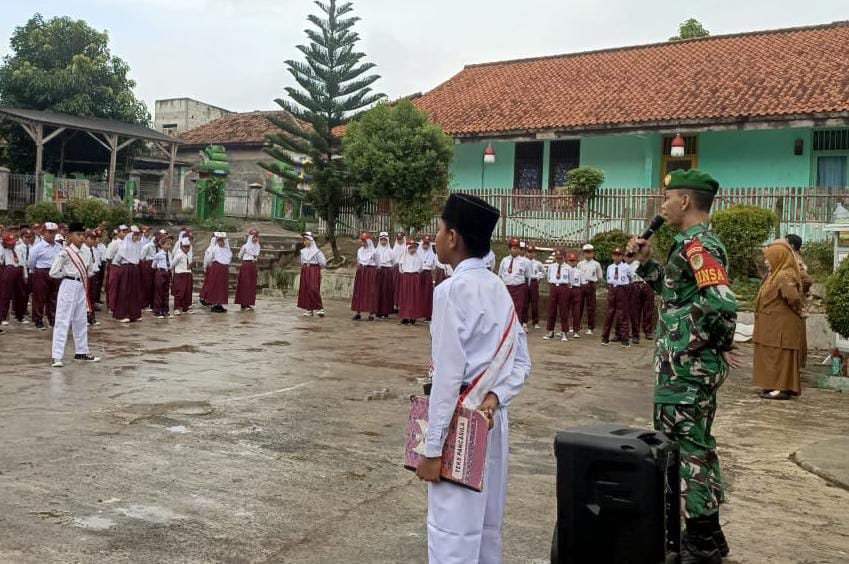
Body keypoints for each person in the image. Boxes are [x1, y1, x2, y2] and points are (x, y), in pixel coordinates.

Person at [629, 169, 739, 564]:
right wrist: (647, 264)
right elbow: (678, 296)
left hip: (686, 370)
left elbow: (722, 305)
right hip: (683, 368)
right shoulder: (687, 244)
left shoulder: (699, 244)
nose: (663, 204)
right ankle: (706, 534)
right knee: (686, 448)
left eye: (667, 197)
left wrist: (700, 345)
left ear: (686, 201)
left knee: (691, 450)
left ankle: (702, 542)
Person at [415, 193, 531, 564]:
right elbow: (522, 361)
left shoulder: (449, 291)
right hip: (490, 422)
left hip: (459, 426)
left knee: (451, 533)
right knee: (485, 528)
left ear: (453, 238)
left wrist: (432, 450)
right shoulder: (498, 287)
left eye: (439, 230)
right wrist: (495, 398)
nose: (435, 238)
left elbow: (448, 377)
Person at [752, 242, 805, 400]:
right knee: (772, 355)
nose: (766, 261)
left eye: (769, 258)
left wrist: (800, 309)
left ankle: (781, 388)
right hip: (772, 325)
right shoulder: (775, 274)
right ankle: (772, 385)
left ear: (779, 257)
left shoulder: (784, 275)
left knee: (780, 356)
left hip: (781, 325)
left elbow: (793, 297)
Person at [49, 223, 101, 367]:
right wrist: (66, 274)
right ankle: (57, 356)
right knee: (63, 320)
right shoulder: (65, 252)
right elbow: (53, 272)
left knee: (81, 320)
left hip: (81, 286)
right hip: (68, 285)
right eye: (78, 235)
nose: (81, 238)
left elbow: (90, 271)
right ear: (70, 236)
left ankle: (82, 352)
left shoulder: (86, 251)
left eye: (83, 235)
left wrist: (82, 277)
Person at [29, 222, 62, 330]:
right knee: (39, 297)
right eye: (49, 232)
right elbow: (31, 262)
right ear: (43, 233)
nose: (52, 235)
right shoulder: (38, 247)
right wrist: (37, 271)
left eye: (54, 232)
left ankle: (52, 319)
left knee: (54, 297)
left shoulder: (59, 246)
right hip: (41, 272)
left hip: (55, 272)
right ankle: (38, 319)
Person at [112, 225, 144, 323]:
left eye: (138, 235)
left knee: (135, 291)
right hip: (126, 269)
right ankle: (123, 314)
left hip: (135, 269)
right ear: (130, 235)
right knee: (125, 291)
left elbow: (139, 257)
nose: (137, 237)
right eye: (135, 235)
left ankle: (135, 314)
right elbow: (116, 260)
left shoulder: (138, 244)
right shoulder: (124, 245)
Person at [602, 248, 632, 348]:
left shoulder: (626, 267)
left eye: (619, 255)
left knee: (622, 314)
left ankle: (625, 339)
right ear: (612, 256)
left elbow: (630, 279)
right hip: (612, 289)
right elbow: (608, 279)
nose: (617, 256)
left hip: (622, 289)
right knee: (609, 313)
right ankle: (605, 338)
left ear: (622, 256)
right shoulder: (610, 267)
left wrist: (625, 289)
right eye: (615, 254)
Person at [498, 238, 531, 330]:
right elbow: (500, 275)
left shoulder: (524, 262)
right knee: (505, 307)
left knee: (517, 308)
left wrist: (524, 288)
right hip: (506, 287)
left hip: (518, 287)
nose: (515, 250)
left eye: (517, 248)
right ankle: (505, 327)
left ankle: (516, 328)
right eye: (513, 248)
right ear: (510, 248)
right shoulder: (504, 260)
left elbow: (527, 276)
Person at [0, 231, 28, 326]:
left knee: (21, 295)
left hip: (19, 270)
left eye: (13, 243)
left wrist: (25, 275)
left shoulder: (18, 249)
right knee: (5, 295)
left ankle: (20, 316)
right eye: (10, 243)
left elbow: (23, 263)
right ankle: (3, 317)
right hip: (8, 270)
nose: (12, 245)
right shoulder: (2, 249)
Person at [543, 249, 571, 342]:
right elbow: (548, 278)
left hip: (563, 287)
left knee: (564, 311)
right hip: (554, 287)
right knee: (551, 310)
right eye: (557, 258)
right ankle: (550, 331)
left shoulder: (568, 268)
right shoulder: (551, 266)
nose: (559, 260)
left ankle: (564, 332)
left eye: (560, 258)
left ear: (564, 257)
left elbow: (570, 281)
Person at [297, 232, 326, 317]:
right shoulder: (303, 251)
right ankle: (309, 308)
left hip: (314, 269)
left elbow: (323, 263)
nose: (305, 242)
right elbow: (302, 261)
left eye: (307, 240)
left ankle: (320, 308)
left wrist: (315, 268)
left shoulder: (317, 252)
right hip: (305, 269)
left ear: (311, 241)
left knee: (313, 288)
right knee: (306, 288)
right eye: (304, 240)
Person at [202, 232, 232, 313]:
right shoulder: (215, 249)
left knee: (222, 287)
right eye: (219, 241)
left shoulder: (227, 250)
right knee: (215, 286)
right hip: (216, 269)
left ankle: (220, 304)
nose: (221, 242)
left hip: (224, 270)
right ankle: (214, 304)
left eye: (222, 241)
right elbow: (209, 259)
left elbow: (229, 259)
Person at [577, 244, 603, 335]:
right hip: (581, 285)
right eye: (586, 252)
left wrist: (594, 285)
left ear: (593, 253)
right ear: (584, 254)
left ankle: (590, 328)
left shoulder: (596, 264)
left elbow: (599, 277)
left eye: (590, 252)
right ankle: (576, 326)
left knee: (591, 307)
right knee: (578, 306)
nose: (588, 254)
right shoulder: (580, 264)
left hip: (591, 285)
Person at [352, 232, 378, 321]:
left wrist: (372, 271)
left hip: (370, 272)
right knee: (359, 291)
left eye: (365, 241)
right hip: (361, 271)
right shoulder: (359, 250)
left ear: (369, 241)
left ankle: (371, 313)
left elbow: (378, 263)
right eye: (362, 241)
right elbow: (358, 261)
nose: (363, 243)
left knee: (370, 292)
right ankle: (358, 312)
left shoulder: (374, 252)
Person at [628, 258, 655, 344]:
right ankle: (635, 334)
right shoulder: (630, 263)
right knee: (635, 311)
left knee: (648, 310)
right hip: (635, 285)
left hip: (647, 285)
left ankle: (648, 331)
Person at [398, 239, 423, 326]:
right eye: (411, 248)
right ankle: (405, 317)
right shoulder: (404, 258)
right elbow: (401, 269)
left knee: (414, 297)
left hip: (415, 277)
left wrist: (415, 274)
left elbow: (421, 268)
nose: (413, 250)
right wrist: (407, 274)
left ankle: (413, 317)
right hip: (406, 277)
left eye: (414, 248)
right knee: (405, 297)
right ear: (407, 248)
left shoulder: (418, 257)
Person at [235, 229, 261, 311]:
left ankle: (249, 303)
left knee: (251, 285)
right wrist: (245, 261)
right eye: (254, 237)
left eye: (257, 237)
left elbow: (256, 256)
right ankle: (243, 303)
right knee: (245, 285)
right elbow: (239, 255)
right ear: (250, 237)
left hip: (253, 266)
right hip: (246, 266)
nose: (255, 239)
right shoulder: (245, 246)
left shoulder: (258, 246)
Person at [104, 225, 128, 312]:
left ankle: (120, 305)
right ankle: (112, 306)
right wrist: (112, 266)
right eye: (123, 232)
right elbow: (108, 256)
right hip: (115, 266)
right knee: (113, 287)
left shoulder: (127, 243)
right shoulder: (114, 243)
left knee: (122, 288)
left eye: (126, 232)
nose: (125, 234)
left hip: (124, 267)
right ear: (118, 233)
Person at [81, 230, 102, 326]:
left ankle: (91, 317)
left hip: (93, 275)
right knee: (84, 298)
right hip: (85, 276)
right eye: (91, 238)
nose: (94, 241)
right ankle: (84, 318)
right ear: (85, 239)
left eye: (95, 239)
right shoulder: (82, 250)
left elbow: (96, 264)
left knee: (92, 298)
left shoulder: (95, 250)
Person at [373, 232, 396, 319]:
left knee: (387, 291)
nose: (383, 242)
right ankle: (378, 310)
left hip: (387, 272)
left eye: (385, 240)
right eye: (381, 240)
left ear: (387, 241)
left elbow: (393, 262)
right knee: (378, 291)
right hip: (378, 272)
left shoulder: (391, 251)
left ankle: (386, 311)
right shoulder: (376, 251)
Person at [152, 235, 174, 319]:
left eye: (170, 244)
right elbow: (153, 265)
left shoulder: (170, 254)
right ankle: (157, 311)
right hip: (160, 272)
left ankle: (165, 310)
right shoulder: (158, 255)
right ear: (162, 245)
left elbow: (171, 264)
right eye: (167, 244)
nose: (169, 246)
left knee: (166, 292)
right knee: (159, 292)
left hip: (167, 272)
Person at [524, 245, 544, 330]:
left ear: (535, 253)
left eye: (532, 252)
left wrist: (538, 277)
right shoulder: (523, 262)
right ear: (526, 252)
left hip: (534, 282)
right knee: (525, 303)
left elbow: (544, 272)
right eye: (529, 252)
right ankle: (524, 321)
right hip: (525, 282)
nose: (530, 254)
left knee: (534, 303)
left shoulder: (538, 263)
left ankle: (535, 322)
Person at [171, 238, 194, 315]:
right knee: (179, 292)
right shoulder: (179, 255)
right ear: (181, 247)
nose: (187, 248)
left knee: (187, 292)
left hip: (188, 274)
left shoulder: (188, 255)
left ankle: (185, 308)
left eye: (188, 247)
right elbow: (172, 264)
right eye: (185, 247)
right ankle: (176, 308)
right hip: (180, 274)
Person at [565, 253, 585, 339]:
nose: (572, 262)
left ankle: (576, 330)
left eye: (574, 260)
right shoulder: (565, 270)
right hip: (566, 289)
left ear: (577, 261)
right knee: (565, 311)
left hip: (576, 289)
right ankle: (564, 329)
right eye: (570, 260)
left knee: (576, 311)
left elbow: (583, 282)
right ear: (567, 261)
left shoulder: (580, 272)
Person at [418, 236, 436, 322]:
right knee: (418, 293)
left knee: (427, 294)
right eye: (424, 244)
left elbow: (433, 266)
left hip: (427, 274)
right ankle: (418, 313)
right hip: (419, 274)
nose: (425, 246)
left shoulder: (432, 255)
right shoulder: (417, 253)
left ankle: (427, 314)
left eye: (427, 244)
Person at [139, 231, 157, 311]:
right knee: (147, 285)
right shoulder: (148, 246)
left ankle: (152, 303)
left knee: (153, 285)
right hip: (148, 265)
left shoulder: (158, 247)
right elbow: (142, 257)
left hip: (155, 266)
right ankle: (144, 304)